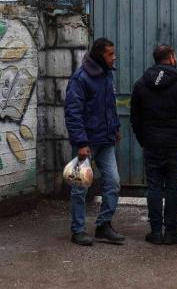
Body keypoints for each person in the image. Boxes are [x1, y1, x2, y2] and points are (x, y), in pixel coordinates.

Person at [130, 45, 177, 245]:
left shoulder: (141, 83)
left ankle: (155, 232)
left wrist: (144, 140)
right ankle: (170, 232)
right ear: (171, 58)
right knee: (172, 187)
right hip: (176, 145)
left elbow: (135, 118)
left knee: (153, 187)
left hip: (152, 144)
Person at [64, 37, 124, 246]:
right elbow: (73, 112)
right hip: (87, 144)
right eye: (110, 54)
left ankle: (103, 226)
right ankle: (78, 230)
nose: (114, 57)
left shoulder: (107, 74)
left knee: (113, 182)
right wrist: (81, 143)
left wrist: (115, 128)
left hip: (105, 140)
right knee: (80, 188)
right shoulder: (80, 79)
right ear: (99, 55)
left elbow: (109, 105)